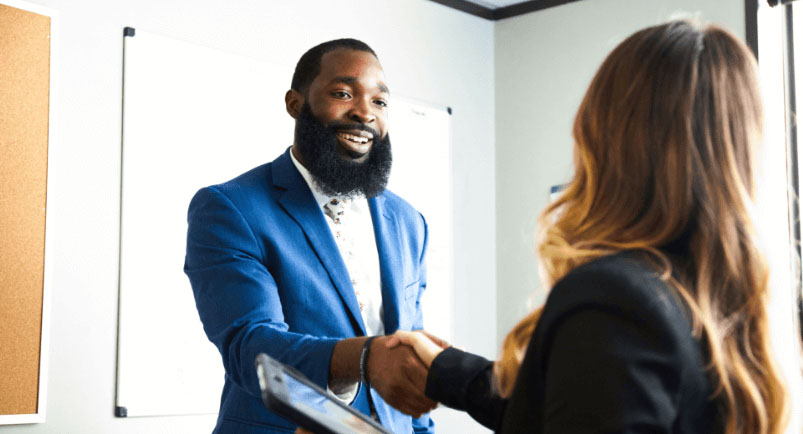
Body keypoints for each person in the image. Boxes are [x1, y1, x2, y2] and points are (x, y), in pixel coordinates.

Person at [387, 20, 790, 434]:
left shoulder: (613, 299)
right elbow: (575, 405)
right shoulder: (722, 303)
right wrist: (447, 371)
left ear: (608, 141)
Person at [184, 38, 436, 434]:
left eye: (379, 102)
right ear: (295, 103)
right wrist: (367, 357)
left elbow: (410, 358)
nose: (364, 113)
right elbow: (251, 348)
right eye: (342, 93)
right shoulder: (230, 208)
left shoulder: (408, 221)